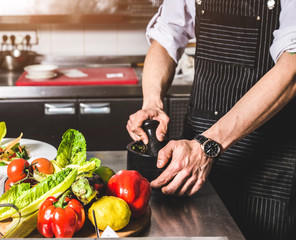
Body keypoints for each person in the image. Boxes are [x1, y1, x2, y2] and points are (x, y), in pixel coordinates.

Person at [126, 0, 296, 239]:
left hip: (266, 162)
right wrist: (152, 102)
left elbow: (292, 67)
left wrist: (209, 146)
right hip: (193, 157)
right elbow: (166, 36)